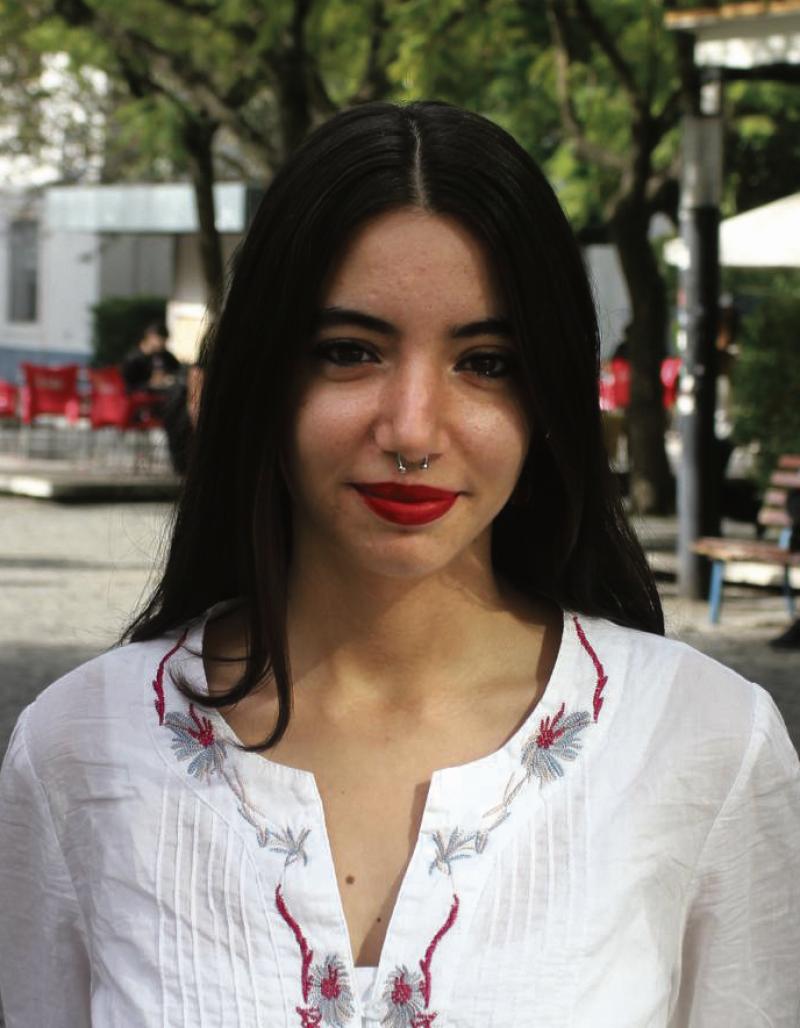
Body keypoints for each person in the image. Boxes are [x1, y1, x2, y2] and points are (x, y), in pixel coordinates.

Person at [1, 102, 799, 1027]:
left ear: (548, 399)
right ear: (263, 380)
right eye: (350, 352)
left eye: (487, 362)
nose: (413, 430)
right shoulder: (83, 750)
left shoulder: (702, 742)